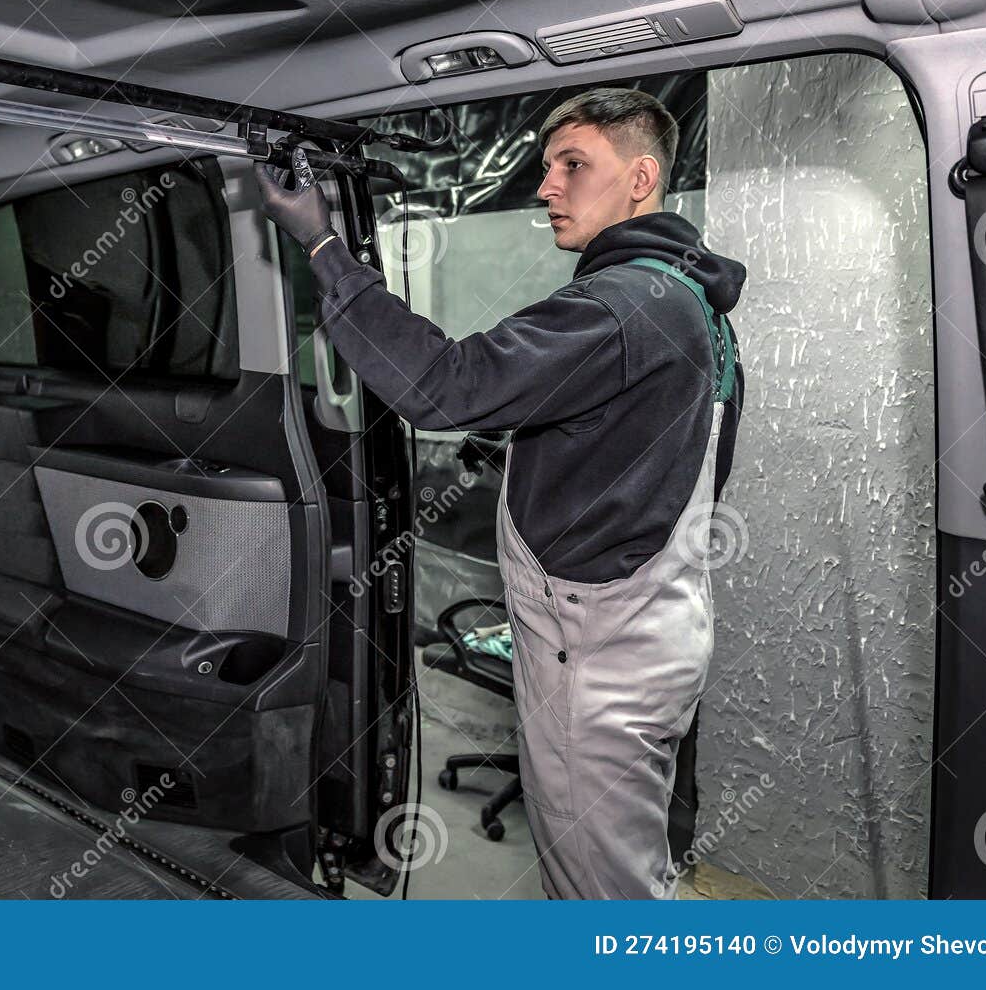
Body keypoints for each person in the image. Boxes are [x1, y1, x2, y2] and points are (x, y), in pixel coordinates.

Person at [254, 87, 746, 899]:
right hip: (657, 631)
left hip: (598, 658)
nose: (547, 186)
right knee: (632, 870)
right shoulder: (690, 298)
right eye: (547, 166)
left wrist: (322, 250)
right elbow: (667, 447)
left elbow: (445, 385)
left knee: (601, 900)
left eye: (574, 165)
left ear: (641, 177)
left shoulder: (620, 306)